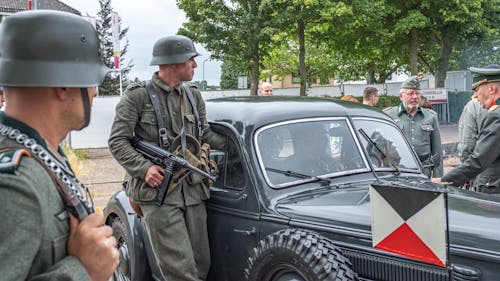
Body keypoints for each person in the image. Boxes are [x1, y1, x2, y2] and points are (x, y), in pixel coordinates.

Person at [0, 10, 119, 281]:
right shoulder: (14, 186)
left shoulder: (41, 151)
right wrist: (82, 270)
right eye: (90, 80)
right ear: (63, 84)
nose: (95, 91)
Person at [108, 34, 226, 281]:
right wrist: (144, 168)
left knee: (201, 265)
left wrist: (233, 149)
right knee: (180, 272)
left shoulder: (193, 96)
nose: (194, 64)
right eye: (191, 59)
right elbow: (117, 141)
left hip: (193, 191)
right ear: (174, 62)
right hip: (159, 193)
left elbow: (204, 134)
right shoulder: (137, 97)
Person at [433, 64, 500, 195]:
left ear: (492, 89)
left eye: (476, 90)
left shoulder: (496, 116)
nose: (475, 96)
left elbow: (479, 160)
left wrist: (444, 181)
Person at [383, 76, 443, 178]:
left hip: (423, 172)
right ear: (401, 96)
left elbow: (437, 151)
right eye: (410, 93)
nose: (415, 97)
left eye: (417, 93)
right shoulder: (388, 115)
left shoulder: (431, 116)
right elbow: (379, 146)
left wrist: (438, 177)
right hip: (397, 172)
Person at [457, 97, 487, 162]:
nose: (475, 94)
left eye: (476, 90)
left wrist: (465, 165)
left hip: (484, 165)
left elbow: (467, 142)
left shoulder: (474, 105)